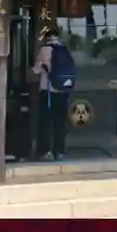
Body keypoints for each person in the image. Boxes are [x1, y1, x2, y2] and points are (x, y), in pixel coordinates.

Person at [32, 25, 75, 161]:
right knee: (59, 122)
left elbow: (36, 70)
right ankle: (60, 151)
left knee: (46, 122)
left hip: (48, 91)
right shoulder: (64, 50)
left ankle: (46, 151)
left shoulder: (45, 50)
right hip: (62, 91)